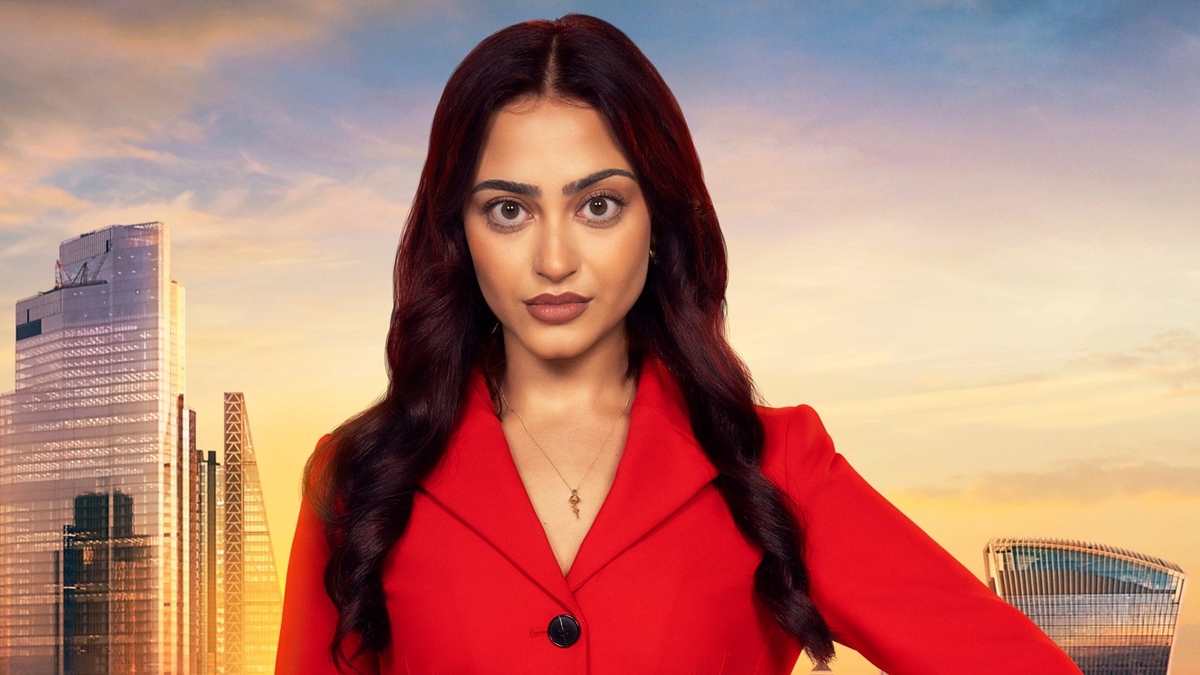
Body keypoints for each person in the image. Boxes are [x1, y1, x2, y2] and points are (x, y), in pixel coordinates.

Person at [275, 14, 1084, 675]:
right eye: (509, 210)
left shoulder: (776, 465)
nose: (555, 259)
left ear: (658, 219)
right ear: (459, 233)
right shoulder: (358, 477)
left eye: (598, 205)